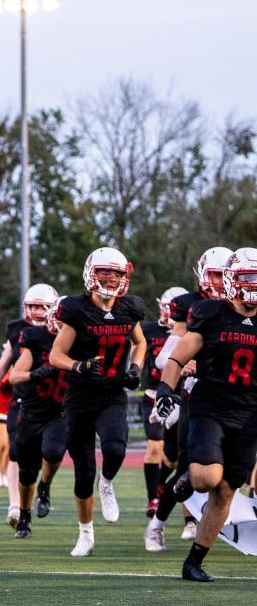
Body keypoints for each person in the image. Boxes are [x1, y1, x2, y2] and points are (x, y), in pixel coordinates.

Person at [154, 247, 257, 582]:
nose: (253, 285)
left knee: (227, 490)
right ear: (231, 279)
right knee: (206, 478)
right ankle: (186, 479)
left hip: (249, 414)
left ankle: (193, 562)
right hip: (210, 405)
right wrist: (166, 392)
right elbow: (176, 358)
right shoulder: (210, 312)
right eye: (247, 278)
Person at [49, 247, 146, 557]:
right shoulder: (76, 310)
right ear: (91, 274)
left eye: (116, 273)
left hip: (112, 393)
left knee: (116, 448)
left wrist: (135, 368)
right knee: (83, 471)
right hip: (80, 396)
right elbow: (56, 355)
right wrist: (78, 366)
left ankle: (108, 482)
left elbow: (140, 342)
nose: (110, 278)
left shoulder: (129, 308)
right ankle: (86, 533)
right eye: (105, 272)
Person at [146, 247, 233, 551]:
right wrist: (186, 363)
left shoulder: (244, 307)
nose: (221, 283)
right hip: (198, 397)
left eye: (226, 276)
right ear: (201, 274)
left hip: (237, 399)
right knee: (187, 470)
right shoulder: (191, 306)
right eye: (215, 275)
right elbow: (163, 359)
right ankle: (157, 523)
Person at [0, 284, 59, 525]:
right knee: (15, 453)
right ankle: (14, 506)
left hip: (53, 403)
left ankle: (40, 488)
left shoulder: (62, 330)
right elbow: (2, 365)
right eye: (33, 306)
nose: (38, 312)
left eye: (43, 307)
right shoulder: (18, 330)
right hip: (22, 400)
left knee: (46, 453)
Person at [9, 296, 68, 538]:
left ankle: (45, 487)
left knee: (53, 451)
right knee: (26, 472)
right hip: (32, 412)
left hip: (60, 411)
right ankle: (24, 516)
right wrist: (35, 374)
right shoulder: (36, 338)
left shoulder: (82, 343)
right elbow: (15, 377)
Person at [139, 286, 187, 518]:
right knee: (155, 446)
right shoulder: (148, 330)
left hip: (180, 398)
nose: (170, 313)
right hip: (153, 395)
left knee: (174, 457)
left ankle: (161, 483)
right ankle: (153, 498)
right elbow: (136, 352)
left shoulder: (193, 332)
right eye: (167, 307)